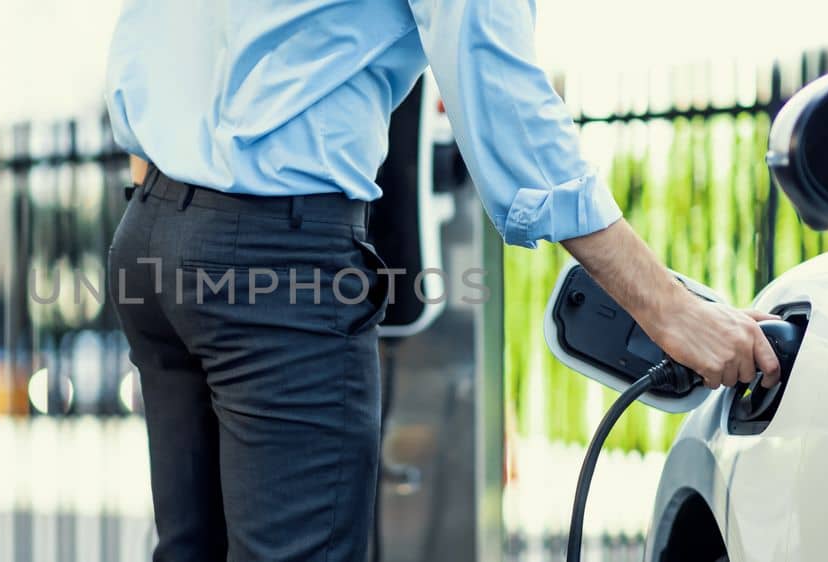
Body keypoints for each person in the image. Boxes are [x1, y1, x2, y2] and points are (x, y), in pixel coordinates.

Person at [103, 0, 782, 560]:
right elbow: (500, 93)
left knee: (189, 550)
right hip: (274, 260)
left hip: (152, 232)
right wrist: (666, 307)